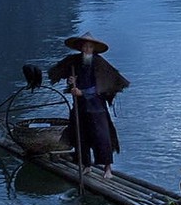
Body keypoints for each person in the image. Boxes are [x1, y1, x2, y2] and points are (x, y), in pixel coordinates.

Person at [47, 32, 130, 178]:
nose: (87, 49)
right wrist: (71, 82)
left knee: (102, 136)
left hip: (96, 107)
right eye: (84, 47)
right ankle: (86, 165)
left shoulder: (99, 63)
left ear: (93, 49)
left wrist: (83, 93)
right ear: (81, 48)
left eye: (90, 47)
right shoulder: (75, 61)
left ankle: (107, 169)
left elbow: (102, 87)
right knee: (81, 135)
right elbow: (69, 78)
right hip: (80, 107)